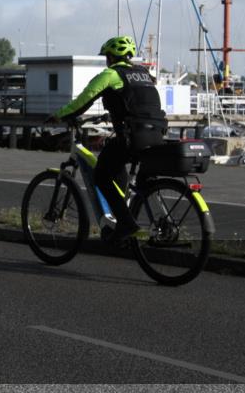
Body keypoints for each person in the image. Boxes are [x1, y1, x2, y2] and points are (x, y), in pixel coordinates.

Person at [48, 36, 167, 242]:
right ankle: (125, 217)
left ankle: (126, 224)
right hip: (157, 133)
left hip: (133, 137)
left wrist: (59, 115)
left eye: (106, 57)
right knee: (120, 169)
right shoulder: (143, 74)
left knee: (101, 176)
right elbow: (136, 102)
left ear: (111, 57)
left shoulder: (111, 74)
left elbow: (83, 100)